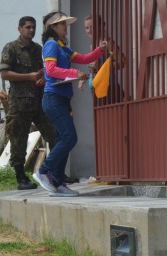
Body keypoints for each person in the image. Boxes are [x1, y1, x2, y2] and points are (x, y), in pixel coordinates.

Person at [32, 11, 106, 197]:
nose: (66, 26)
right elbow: (51, 70)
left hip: (61, 100)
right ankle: (44, 171)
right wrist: (75, 74)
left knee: (64, 138)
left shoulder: (62, 47)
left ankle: (57, 182)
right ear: (53, 28)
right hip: (53, 98)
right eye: (62, 24)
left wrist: (100, 50)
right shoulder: (50, 45)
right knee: (69, 138)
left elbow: (83, 59)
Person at [0, 16, 56, 190]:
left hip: (39, 101)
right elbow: (5, 73)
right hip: (20, 104)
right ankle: (20, 178)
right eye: (27, 27)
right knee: (18, 143)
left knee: (55, 136)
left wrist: (42, 79)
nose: (31, 30)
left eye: (33, 27)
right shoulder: (12, 48)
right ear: (20, 29)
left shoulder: (38, 49)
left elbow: (43, 72)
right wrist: (28, 77)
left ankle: (55, 172)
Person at [82, 15, 125, 103]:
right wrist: (84, 77)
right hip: (96, 89)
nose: (89, 31)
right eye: (87, 28)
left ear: (101, 26)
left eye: (92, 27)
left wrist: (102, 66)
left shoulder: (107, 42)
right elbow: (96, 70)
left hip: (109, 89)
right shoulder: (92, 45)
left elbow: (122, 61)